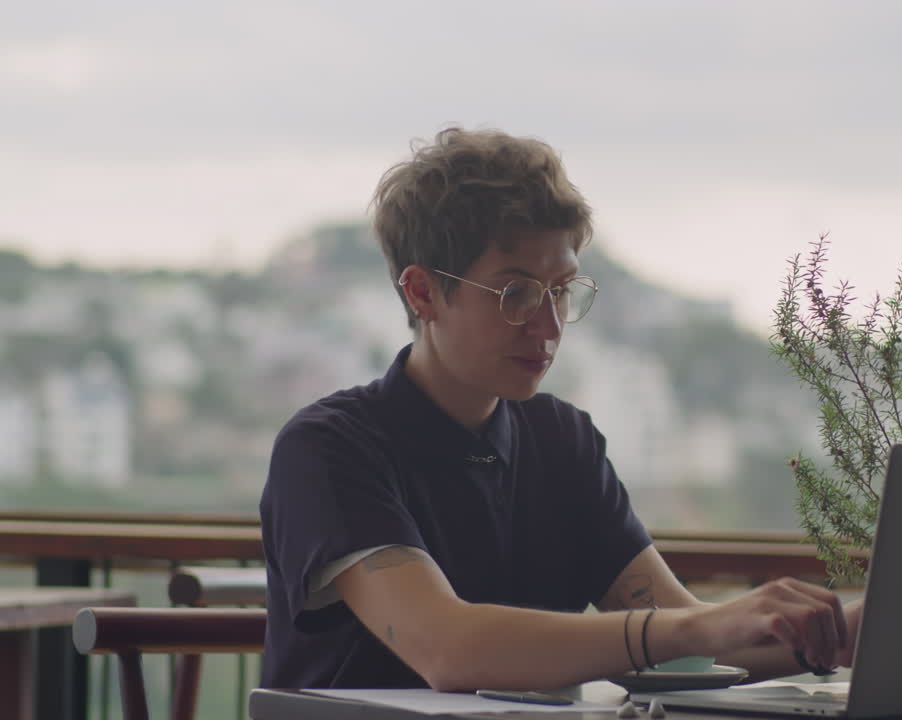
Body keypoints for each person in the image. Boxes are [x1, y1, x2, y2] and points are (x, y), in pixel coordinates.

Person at [259, 127, 862, 692]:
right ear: (421, 292)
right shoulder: (329, 448)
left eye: (562, 291)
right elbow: (447, 648)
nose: (548, 326)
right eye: (515, 292)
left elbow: (692, 644)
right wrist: (701, 627)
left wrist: (855, 632)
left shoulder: (560, 439)